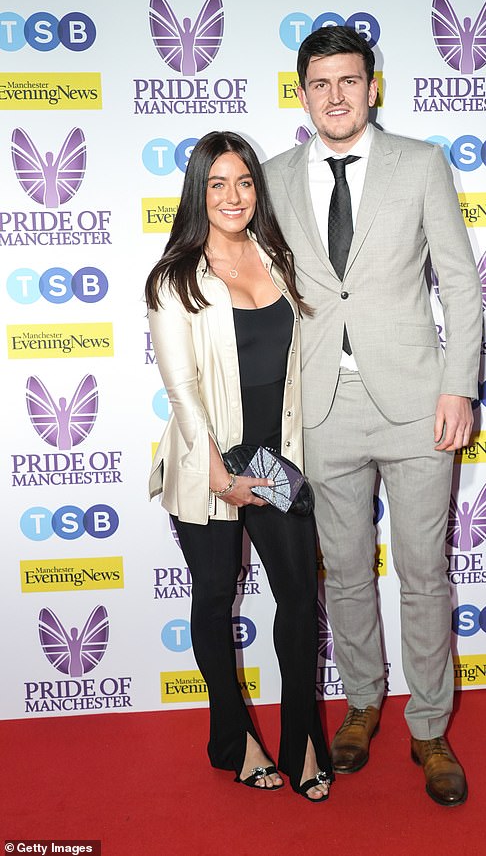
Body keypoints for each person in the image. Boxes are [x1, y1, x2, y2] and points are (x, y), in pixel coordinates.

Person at [263, 27, 482, 806]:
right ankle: (362, 705)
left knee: (424, 574)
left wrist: (459, 386)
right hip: (323, 405)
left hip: (419, 402)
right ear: (301, 93)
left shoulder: (422, 163)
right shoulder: (274, 176)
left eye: (349, 81)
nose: (335, 96)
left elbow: (459, 282)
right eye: (320, 83)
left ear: (372, 86)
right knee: (347, 571)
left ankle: (429, 727)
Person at [145, 131, 332, 802]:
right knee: (216, 598)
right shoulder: (175, 276)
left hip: (276, 461)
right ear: (199, 192)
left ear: (259, 189)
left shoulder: (278, 259)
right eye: (217, 183)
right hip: (207, 467)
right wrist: (222, 478)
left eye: (244, 181)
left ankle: (303, 737)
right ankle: (234, 738)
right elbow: (181, 391)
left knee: (300, 605)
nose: (232, 196)